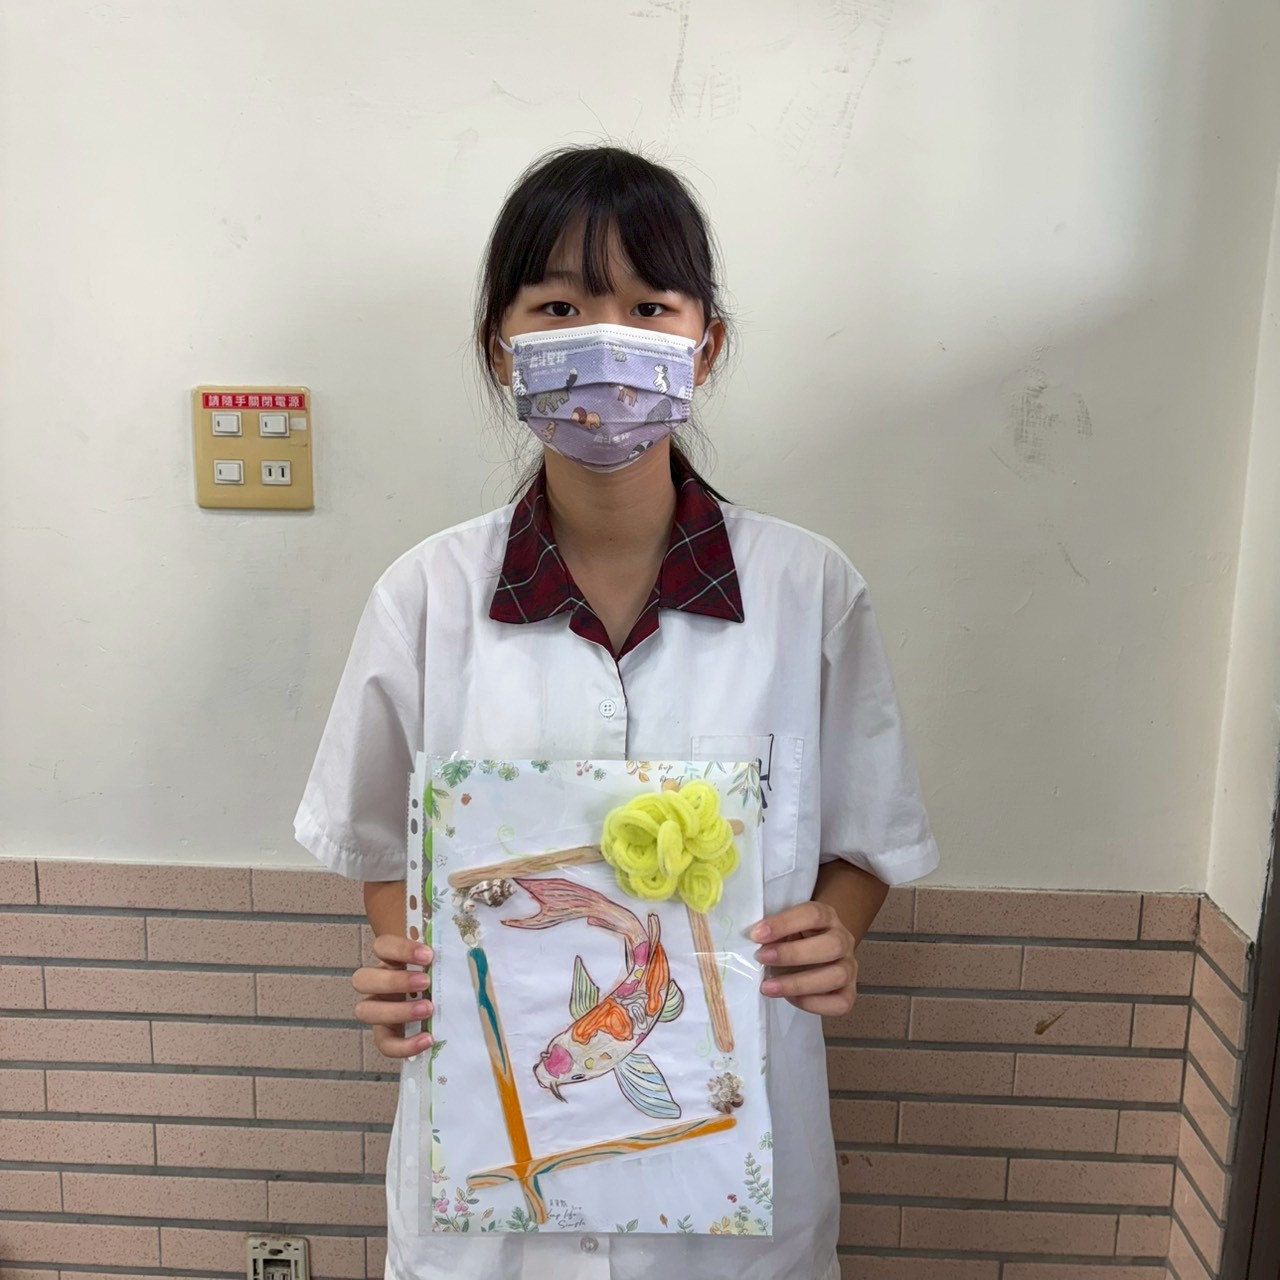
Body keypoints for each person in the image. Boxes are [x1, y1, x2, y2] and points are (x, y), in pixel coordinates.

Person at [294, 143, 940, 1280]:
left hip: (730, 1171)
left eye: (648, 306)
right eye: (558, 306)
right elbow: (384, 842)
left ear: (706, 344)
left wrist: (836, 931)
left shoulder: (809, 592)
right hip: (493, 1183)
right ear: (500, 346)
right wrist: (407, 961)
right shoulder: (426, 597)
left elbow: (864, 840)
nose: (604, 340)